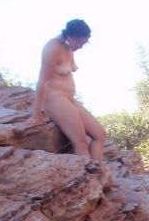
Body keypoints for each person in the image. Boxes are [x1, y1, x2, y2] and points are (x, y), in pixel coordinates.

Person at [28, 18, 107, 160]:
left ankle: (98, 173)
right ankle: (88, 179)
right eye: (79, 42)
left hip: (69, 99)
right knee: (81, 143)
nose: (81, 46)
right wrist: (37, 113)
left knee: (100, 135)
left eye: (84, 43)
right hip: (55, 99)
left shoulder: (69, 47)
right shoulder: (52, 48)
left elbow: (70, 67)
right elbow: (43, 80)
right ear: (69, 36)